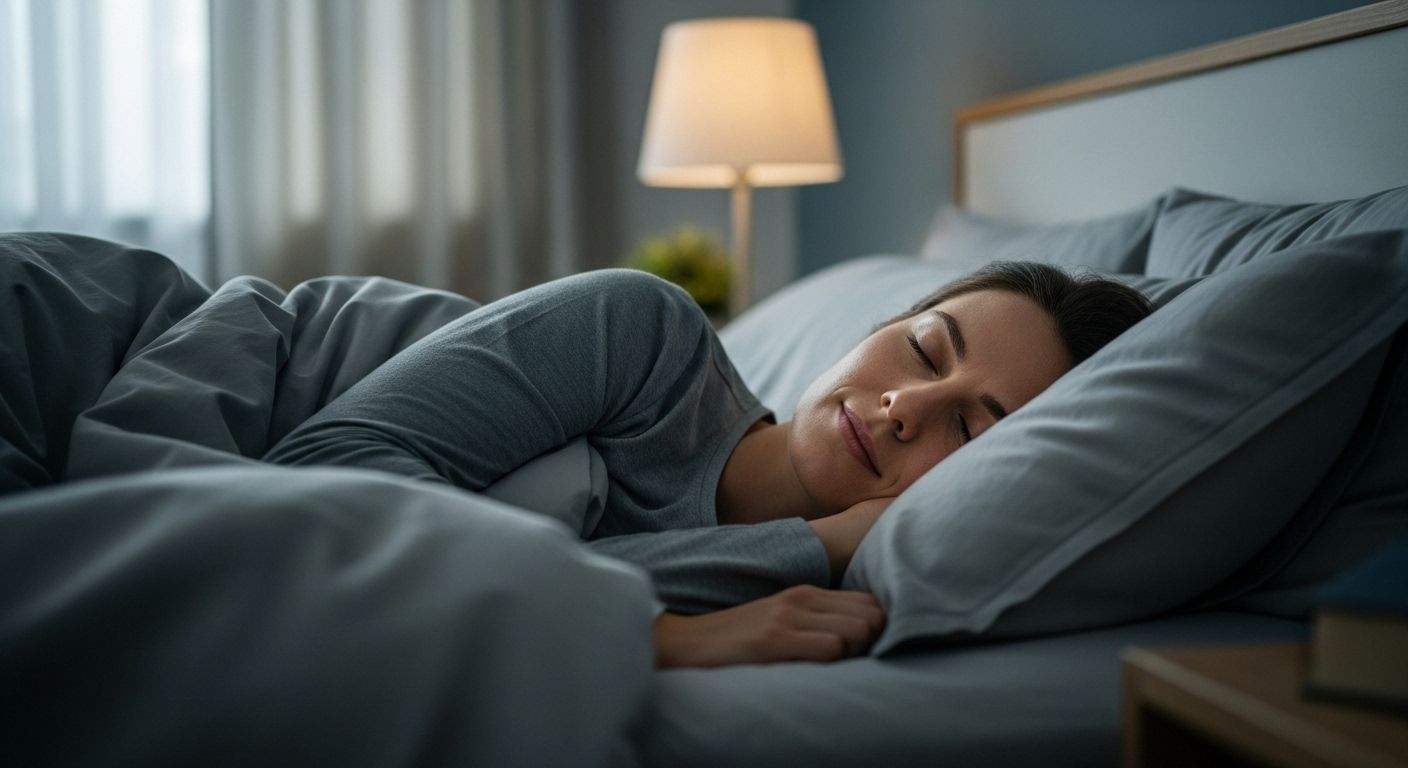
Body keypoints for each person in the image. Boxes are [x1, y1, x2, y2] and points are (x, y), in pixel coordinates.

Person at [264, 260, 1152, 668]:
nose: (905, 408)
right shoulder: (643, 334)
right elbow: (321, 481)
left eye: (969, 428)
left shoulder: (828, 593)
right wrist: (656, 634)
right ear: (875, 329)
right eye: (923, 351)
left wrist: (827, 547)